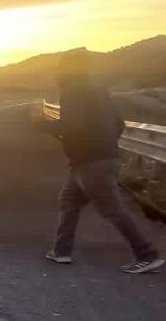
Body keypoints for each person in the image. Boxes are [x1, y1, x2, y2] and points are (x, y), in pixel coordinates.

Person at [41, 49, 162, 274]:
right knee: (68, 201)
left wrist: (44, 126)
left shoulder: (72, 91)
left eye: (59, 67)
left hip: (90, 161)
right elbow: (119, 124)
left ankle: (146, 254)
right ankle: (61, 251)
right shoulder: (98, 89)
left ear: (67, 69)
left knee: (112, 208)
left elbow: (72, 126)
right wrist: (105, 145)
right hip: (99, 158)